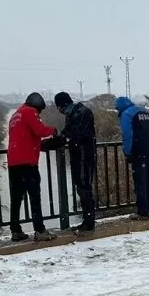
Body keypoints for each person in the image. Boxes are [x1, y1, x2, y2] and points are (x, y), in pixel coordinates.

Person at [4, 93, 58, 242]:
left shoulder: (15, 115)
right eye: (39, 111)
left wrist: (38, 145)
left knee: (16, 198)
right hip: (27, 163)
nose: (39, 114)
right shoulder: (29, 112)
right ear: (37, 106)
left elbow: (25, 138)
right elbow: (40, 130)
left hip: (14, 163)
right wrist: (53, 130)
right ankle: (40, 230)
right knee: (35, 197)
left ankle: (15, 230)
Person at [54, 91, 97, 235]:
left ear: (64, 104)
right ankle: (87, 220)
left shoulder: (82, 113)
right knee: (81, 187)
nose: (59, 111)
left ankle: (89, 222)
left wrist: (60, 140)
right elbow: (68, 133)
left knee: (85, 187)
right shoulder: (72, 114)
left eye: (59, 107)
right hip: (78, 155)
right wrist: (60, 139)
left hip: (85, 155)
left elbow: (74, 134)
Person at [116, 96, 149, 218]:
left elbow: (128, 135)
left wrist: (128, 152)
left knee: (141, 182)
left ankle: (142, 212)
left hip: (140, 153)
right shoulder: (144, 111)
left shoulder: (126, 114)